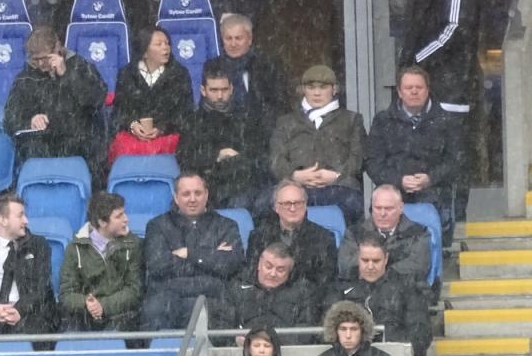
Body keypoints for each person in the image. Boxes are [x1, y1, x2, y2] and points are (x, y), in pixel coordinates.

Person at [399, 0, 479, 222]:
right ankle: (432, 218)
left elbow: (454, 29)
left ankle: (456, 218)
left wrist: (417, 61)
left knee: (453, 153)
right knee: (424, 152)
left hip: (451, 83)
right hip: (429, 80)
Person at [3, 26, 107, 180]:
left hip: (79, 142)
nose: (39, 64)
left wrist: (67, 74)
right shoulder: (25, 78)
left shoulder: (80, 66)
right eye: (35, 59)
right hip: (41, 145)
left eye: (44, 58)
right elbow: (9, 118)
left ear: (58, 49)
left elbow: (96, 99)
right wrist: (30, 120)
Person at [141, 173, 244, 330]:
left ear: (207, 195)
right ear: (176, 197)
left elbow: (231, 264)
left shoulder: (226, 225)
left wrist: (189, 253)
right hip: (167, 301)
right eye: (186, 194)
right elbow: (158, 266)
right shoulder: (157, 226)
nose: (192, 199)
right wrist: (211, 256)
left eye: (198, 193)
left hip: (213, 300)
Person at [366, 66, 463, 233]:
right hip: (392, 188)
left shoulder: (446, 121)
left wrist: (430, 178)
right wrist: (399, 180)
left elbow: (455, 161)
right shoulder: (383, 121)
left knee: (435, 215)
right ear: (399, 91)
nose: (414, 92)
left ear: (427, 90)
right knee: (385, 205)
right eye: (408, 88)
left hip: (434, 189)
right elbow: (373, 163)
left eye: (419, 88)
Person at [269, 64, 367, 224]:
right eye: (311, 87)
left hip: (340, 188)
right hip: (295, 188)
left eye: (323, 87)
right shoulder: (286, 122)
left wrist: (336, 176)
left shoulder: (351, 120)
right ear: (303, 90)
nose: (316, 92)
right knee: (267, 206)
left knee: (353, 205)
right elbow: (275, 159)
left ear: (334, 89)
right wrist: (294, 176)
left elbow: (359, 157)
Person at [0, 194, 57, 342]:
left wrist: (19, 309)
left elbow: (41, 288)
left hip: (27, 314)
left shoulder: (38, 246)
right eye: (20, 216)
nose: (26, 221)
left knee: (39, 328)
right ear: (3, 220)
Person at [175, 66, 269, 210]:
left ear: (231, 89)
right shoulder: (192, 121)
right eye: (213, 90)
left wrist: (236, 160)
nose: (219, 96)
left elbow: (259, 157)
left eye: (224, 90)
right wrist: (217, 155)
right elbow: (185, 157)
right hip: (205, 185)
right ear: (203, 90)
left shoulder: (247, 119)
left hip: (242, 185)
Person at [329, 236, 431, 356]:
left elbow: (420, 332)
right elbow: (328, 328)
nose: (370, 266)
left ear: (386, 259)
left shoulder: (406, 288)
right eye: (365, 260)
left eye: (376, 261)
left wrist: (387, 346)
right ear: (357, 259)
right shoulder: (340, 288)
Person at [58, 192, 142, 334]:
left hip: (121, 316)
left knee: (114, 338)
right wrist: (87, 303)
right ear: (102, 222)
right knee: (69, 339)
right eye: (119, 216)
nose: (126, 219)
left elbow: (134, 290)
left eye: (124, 213)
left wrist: (103, 305)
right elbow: (66, 295)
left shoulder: (133, 244)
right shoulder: (75, 249)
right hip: (83, 317)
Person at [107, 27, 192, 164]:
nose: (166, 48)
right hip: (133, 136)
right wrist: (132, 125)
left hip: (167, 135)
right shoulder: (127, 73)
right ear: (145, 51)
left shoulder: (179, 74)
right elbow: (119, 111)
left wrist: (161, 128)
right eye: (159, 44)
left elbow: (184, 113)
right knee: (124, 147)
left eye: (167, 43)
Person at [247, 180, 338, 303]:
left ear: (305, 205)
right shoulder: (258, 236)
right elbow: (252, 274)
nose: (293, 208)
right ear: (276, 207)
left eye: (298, 203)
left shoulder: (325, 238)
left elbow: (326, 280)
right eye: (286, 204)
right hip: (266, 302)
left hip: (306, 303)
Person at [202, 14, 287, 142]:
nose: (233, 43)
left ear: (250, 39)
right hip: (223, 136)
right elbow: (206, 107)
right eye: (228, 38)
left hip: (262, 135)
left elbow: (280, 105)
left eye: (238, 38)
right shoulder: (212, 67)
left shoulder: (267, 66)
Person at [213, 242, 317, 342]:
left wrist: (271, 343)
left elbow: (305, 332)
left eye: (280, 270)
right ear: (258, 265)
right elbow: (220, 326)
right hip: (241, 352)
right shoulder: (236, 287)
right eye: (268, 266)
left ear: (289, 272)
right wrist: (234, 340)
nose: (272, 274)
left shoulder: (303, 292)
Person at [337, 185, 432, 289]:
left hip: (403, 292)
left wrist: (376, 269)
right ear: (371, 208)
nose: (382, 214)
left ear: (401, 208)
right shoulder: (354, 233)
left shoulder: (419, 233)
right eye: (377, 208)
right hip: (362, 292)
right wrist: (385, 262)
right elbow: (345, 266)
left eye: (388, 208)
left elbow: (419, 267)